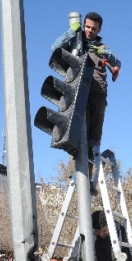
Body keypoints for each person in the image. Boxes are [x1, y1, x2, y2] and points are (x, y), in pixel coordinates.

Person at [51, 12, 122, 172]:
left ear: (99, 30)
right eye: (87, 27)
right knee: (77, 130)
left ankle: (89, 175)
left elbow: (117, 62)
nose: (90, 30)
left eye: (94, 28)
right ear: (83, 25)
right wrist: (71, 31)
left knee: (94, 135)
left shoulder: (102, 47)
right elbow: (54, 48)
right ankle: (75, 173)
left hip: (97, 93)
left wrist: (104, 53)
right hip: (77, 91)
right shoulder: (75, 42)